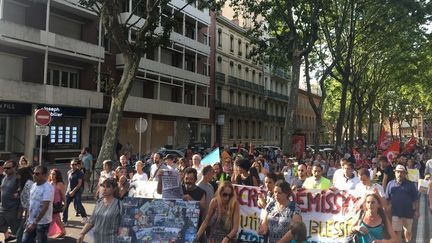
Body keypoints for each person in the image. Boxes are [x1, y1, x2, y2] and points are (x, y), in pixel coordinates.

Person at [77, 178, 121, 243]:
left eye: (108, 187)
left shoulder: (119, 204)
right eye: (103, 186)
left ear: (114, 189)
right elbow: (92, 220)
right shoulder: (99, 202)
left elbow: (126, 224)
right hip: (97, 239)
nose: (104, 189)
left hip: (112, 240)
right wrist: (82, 233)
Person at [385, 164, 419, 242]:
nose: (400, 174)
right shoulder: (390, 184)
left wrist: (417, 211)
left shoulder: (411, 184)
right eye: (398, 172)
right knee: (397, 232)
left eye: (402, 172)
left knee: (408, 232)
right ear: (395, 173)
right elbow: (387, 199)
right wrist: (387, 210)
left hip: (408, 213)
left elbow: (416, 199)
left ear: (405, 173)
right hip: (396, 213)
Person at [22, 166, 54, 243]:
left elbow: (45, 207)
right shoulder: (33, 185)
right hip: (31, 221)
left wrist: (34, 223)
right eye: (33, 173)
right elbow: (31, 204)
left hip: (42, 223)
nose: (34, 175)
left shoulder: (47, 188)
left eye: (37, 174)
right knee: (25, 241)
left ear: (44, 175)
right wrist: (27, 219)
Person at [63, 159, 88, 225]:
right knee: (65, 205)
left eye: (75, 164)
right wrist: (67, 191)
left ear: (77, 165)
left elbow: (79, 184)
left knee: (78, 203)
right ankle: (64, 220)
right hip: (69, 190)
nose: (73, 165)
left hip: (77, 191)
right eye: (72, 164)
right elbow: (69, 183)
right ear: (70, 165)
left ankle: (85, 217)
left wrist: (73, 191)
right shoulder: (69, 172)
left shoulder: (79, 173)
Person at [0, 160, 20, 242]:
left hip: (12, 209)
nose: (5, 169)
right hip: (3, 207)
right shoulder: (5, 177)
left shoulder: (17, 177)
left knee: (16, 230)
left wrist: (18, 193)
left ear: (14, 168)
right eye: (4, 168)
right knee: (1, 224)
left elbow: (23, 191)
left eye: (8, 168)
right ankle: (7, 237)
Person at [16, 167, 34, 243]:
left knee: (22, 232)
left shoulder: (29, 184)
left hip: (31, 212)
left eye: (18, 174)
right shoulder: (23, 183)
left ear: (23, 174)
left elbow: (30, 200)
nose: (17, 176)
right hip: (27, 211)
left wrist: (27, 216)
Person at [47, 169, 66, 238]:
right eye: (51, 174)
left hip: (56, 204)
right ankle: (63, 231)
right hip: (49, 204)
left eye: (54, 174)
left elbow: (63, 195)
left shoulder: (60, 184)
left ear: (57, 175)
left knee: (53, 218)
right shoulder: (49, 183)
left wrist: (65, 204)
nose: (52, 175)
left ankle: (46, 233)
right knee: (57, 218)